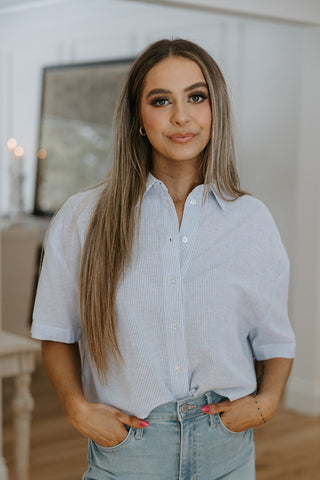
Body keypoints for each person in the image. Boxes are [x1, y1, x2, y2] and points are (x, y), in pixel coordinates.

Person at [31, 38, 295, 480]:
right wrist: (77, 409)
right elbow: (57, 330)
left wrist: (266, 403)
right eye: (161, 101)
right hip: (130, 449)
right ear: (138, 117)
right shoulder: (83, 216)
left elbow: (275, 338)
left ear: (216, 110)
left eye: (196, 97)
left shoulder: (252, 220)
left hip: (226, 446)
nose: (181, 117)